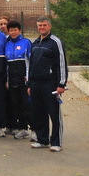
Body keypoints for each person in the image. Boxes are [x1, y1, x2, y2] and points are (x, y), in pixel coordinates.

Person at [28, 16, 68, 152]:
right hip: (35, 84)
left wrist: (61, 84)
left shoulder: (55, 42)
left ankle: (56, 142)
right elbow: (31, 65)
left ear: (49, 26)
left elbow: (62, 64)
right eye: (39, 25)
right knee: (39, 113)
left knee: (54, 114)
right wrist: (29, 84)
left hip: (51, 84)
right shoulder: (35, 43)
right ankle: (42, 140)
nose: (42, 28)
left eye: (44, 25)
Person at [5, 20, 32, 139]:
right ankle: (21, 128)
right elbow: (6, 65)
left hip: (24, 79)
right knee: (15, 105)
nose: (13, 32)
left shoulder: (26, 42)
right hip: (12, 80)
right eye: (11, 30)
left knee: (25, 105)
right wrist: (7, 80)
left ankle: (30, 128)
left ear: (19, 30)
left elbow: (31, 62)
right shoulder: (7, 44)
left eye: (15, 30)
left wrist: (29, 78)